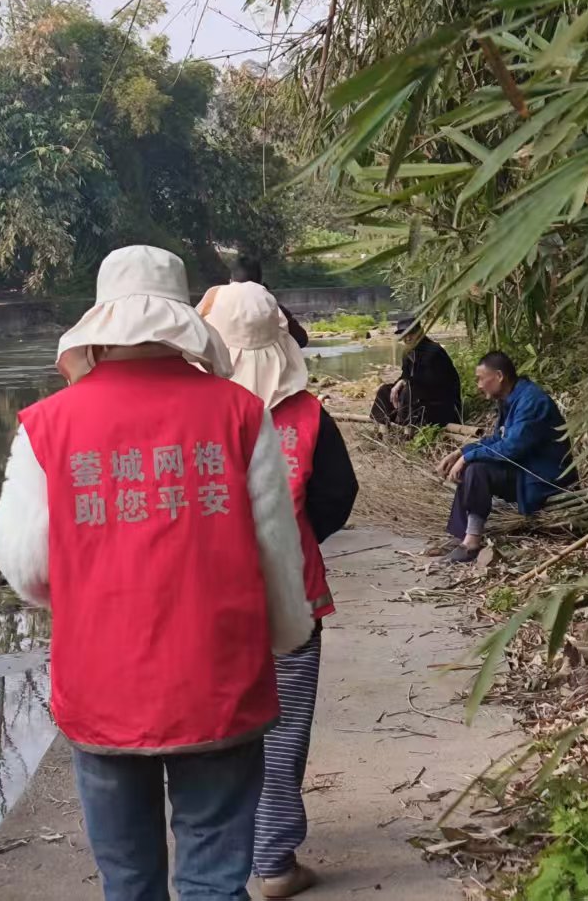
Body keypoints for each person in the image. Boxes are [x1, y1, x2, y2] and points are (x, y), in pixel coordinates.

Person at [0, 246, 315, 901]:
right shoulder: (240, 413)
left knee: (130, 883)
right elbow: (277, 551)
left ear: (101, 325)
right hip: (219, 683)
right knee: (214, 880)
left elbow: (26, 566)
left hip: (101, 686)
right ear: (180, 322)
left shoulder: (46, 425)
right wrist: (288, 634)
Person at [200, 282, 358, 899]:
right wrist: (295, 535)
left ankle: (219, 849)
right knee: (283, 728)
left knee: (217, 728)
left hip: (207, 602)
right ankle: (273, 861)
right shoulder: (310, 414)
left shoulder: (194, 413)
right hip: (294, 598)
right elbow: (337, 495)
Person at [437, 351, 575, 564]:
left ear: (499, 376)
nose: (478, 385)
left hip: (543, 478)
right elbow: (498, 439)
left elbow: (511, 448)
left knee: (477, 469)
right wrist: (461, 453)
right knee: (471, 463)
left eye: (481, 378)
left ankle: (471, 543)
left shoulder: (531, 401)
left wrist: (468, 458)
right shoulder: (511, 399)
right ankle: (461, 535)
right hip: (525, 470)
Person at [200, 255, 308, 348]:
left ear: (231, 281)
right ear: (260, 283)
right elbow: (301, 340)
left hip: (224, 365)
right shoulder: (273, 309)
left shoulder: (214, 306)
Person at [370, 320, 462, 428]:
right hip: (417, 395)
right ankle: (383, 425)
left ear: (420, 332)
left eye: (411, 333)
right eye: (404, 334)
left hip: (440, 402)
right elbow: (406, 375)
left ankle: (405, 426)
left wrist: (407, 383)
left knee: (409, 390)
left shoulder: (434, 352)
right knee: (385, 390)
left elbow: (434, 381)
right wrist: (399, 383)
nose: (408, 338)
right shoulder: (408, 352)